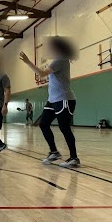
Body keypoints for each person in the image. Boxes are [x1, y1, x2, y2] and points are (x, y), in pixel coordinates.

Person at [19, 36, 80, 168]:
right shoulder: (56, 60)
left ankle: (74, 158)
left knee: (64, 127)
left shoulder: (60, 59)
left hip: (64, 99)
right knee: (43, 124)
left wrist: (28, 62)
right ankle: (54, 152)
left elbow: (42, 74)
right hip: (52, 100)